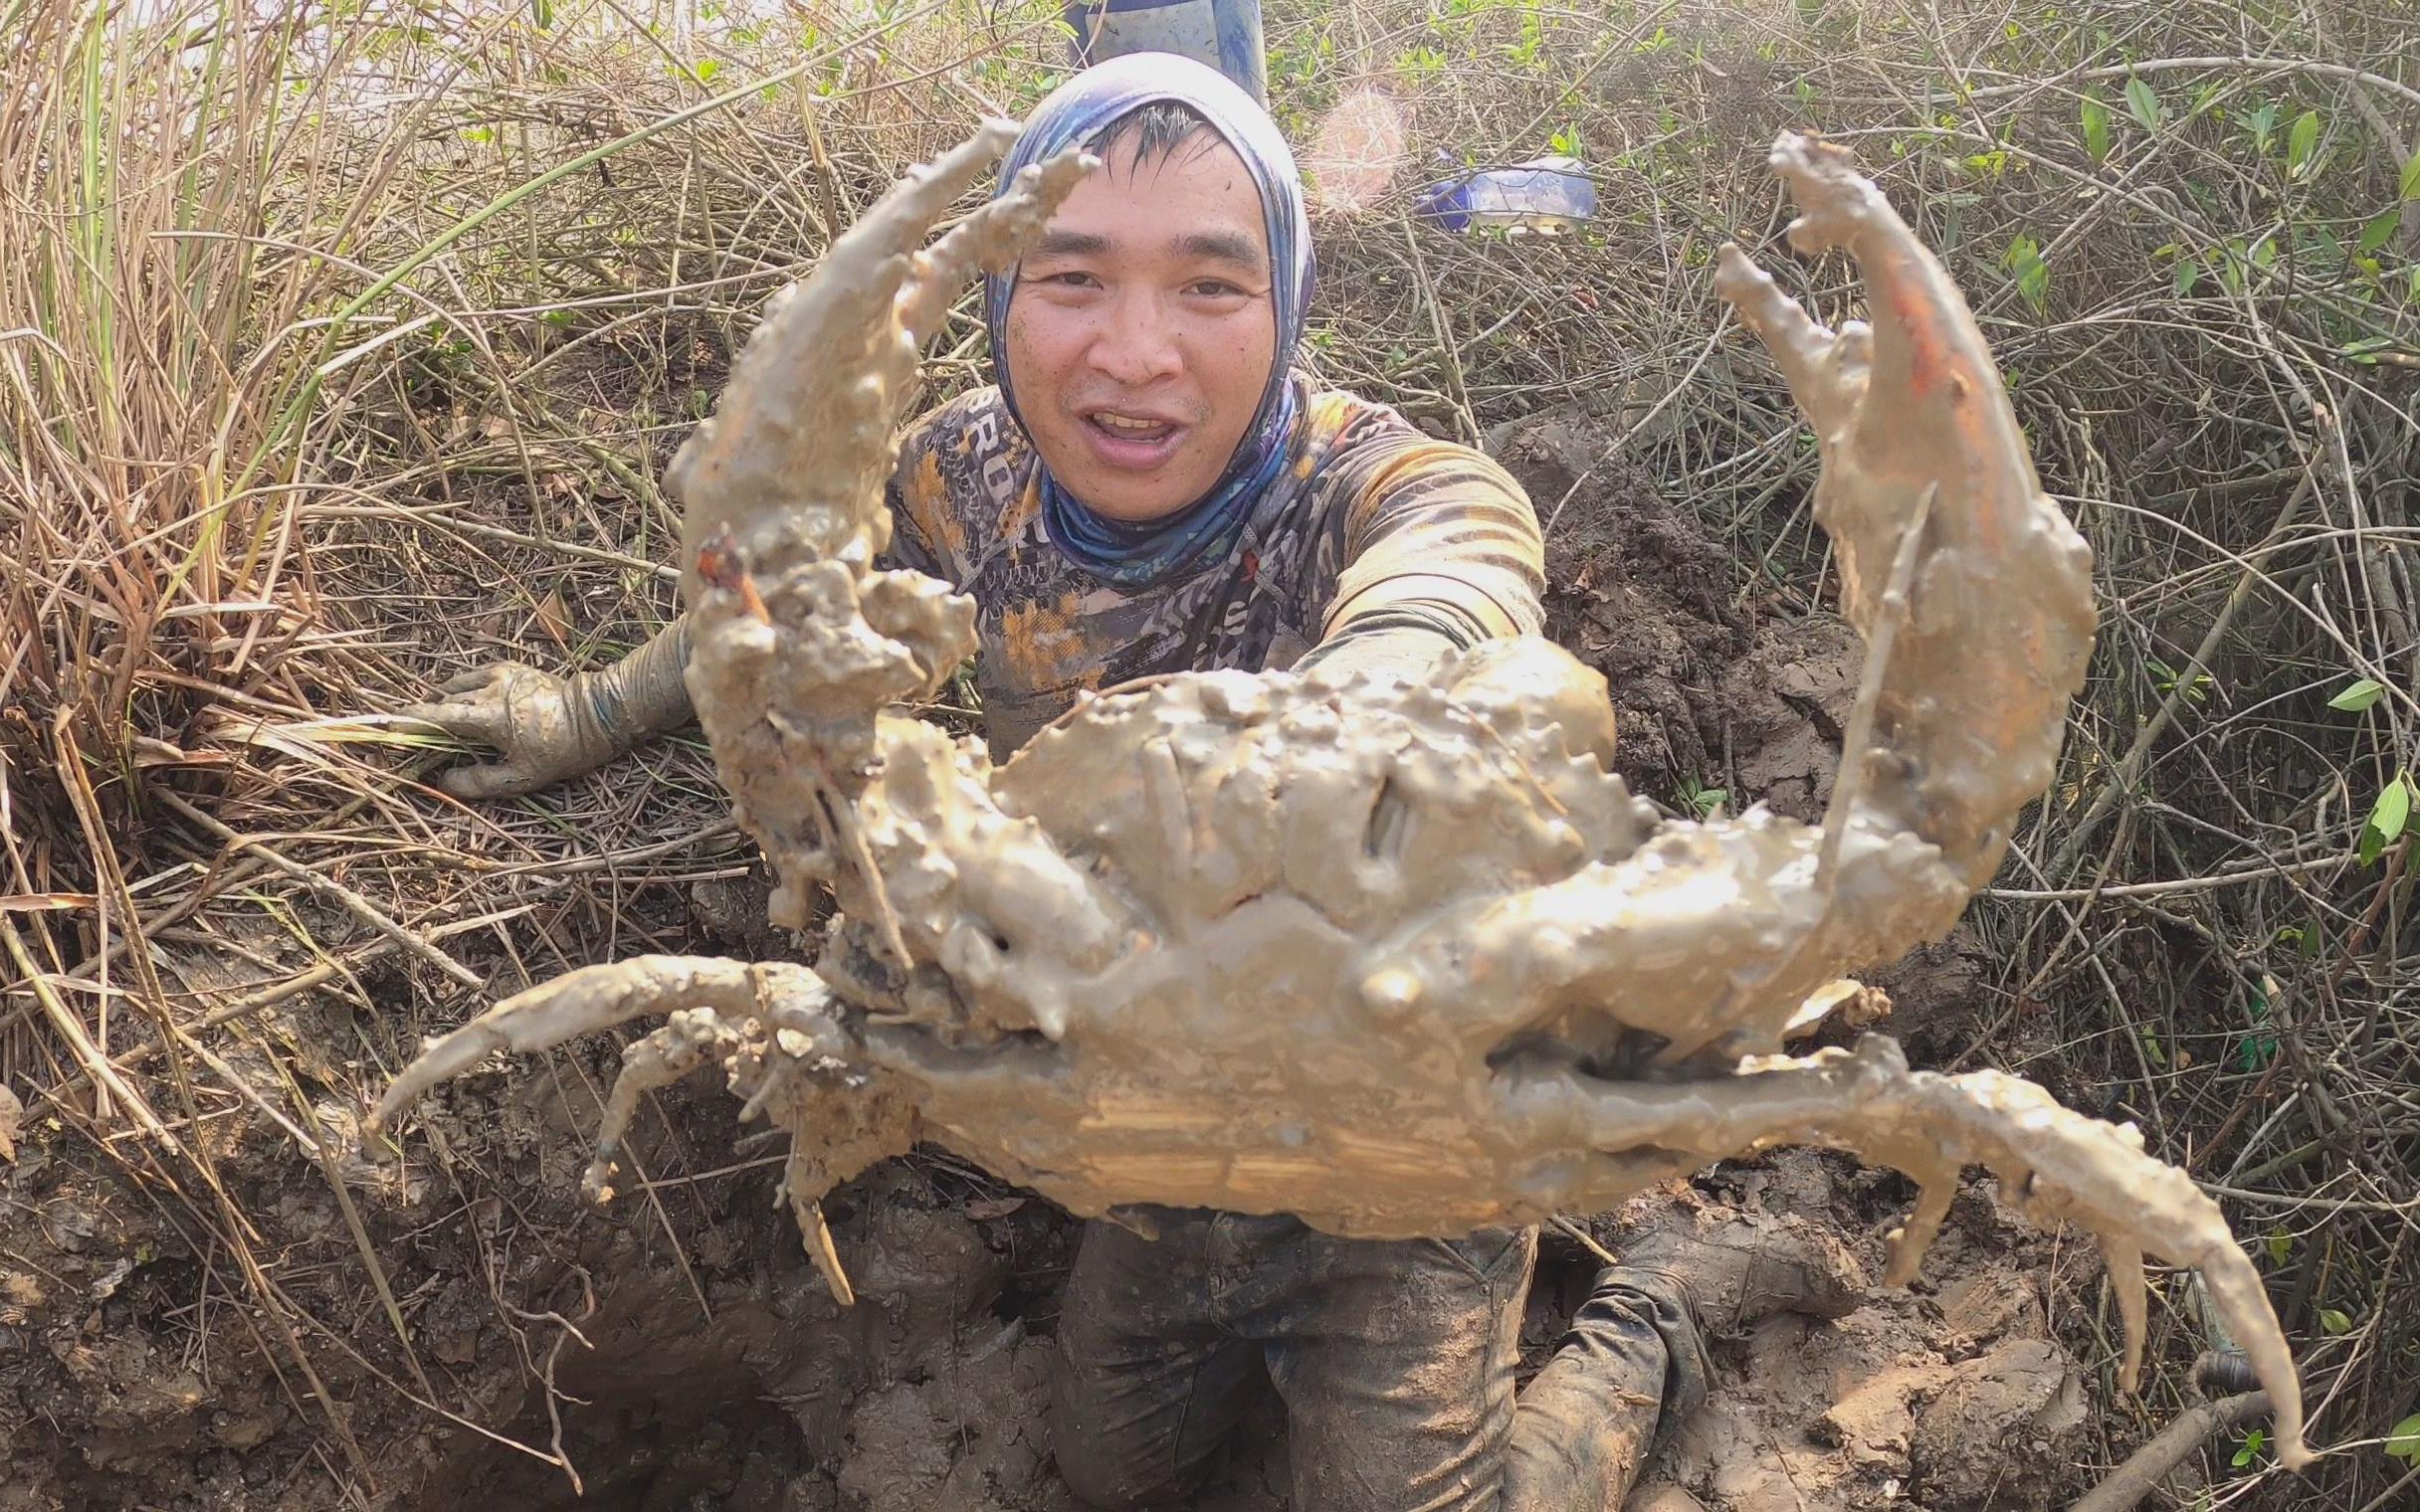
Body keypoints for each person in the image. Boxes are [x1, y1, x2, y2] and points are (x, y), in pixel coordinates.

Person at [406, 56, 1862, 1511]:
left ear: (1285, 299)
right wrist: (585, 709)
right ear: (1000, 294)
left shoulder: (1381, 482)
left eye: (1211, 287)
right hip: (1154, 1129)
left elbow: (1460, 574)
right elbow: (787, 598)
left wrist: (1347, 721)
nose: (1136, 353)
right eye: (1074, 277)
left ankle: (1664, 1293)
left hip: (1410, 1137)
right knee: (1114, 1475)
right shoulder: (963, 473)